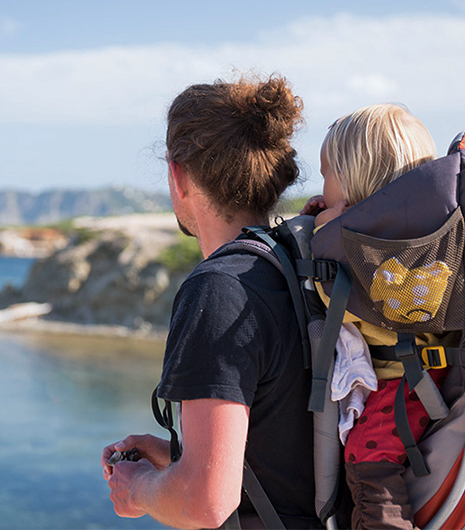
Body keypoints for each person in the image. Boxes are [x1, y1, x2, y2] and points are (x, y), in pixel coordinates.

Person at [101, 75, 320, 529]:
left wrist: (136, 488)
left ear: (177, 177)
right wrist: (179, 458)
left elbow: (205, 501)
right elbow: (286, 444)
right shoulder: (298, 263)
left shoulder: (218, 290)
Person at [301, 103, 452, 530]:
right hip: (430, 374)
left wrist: (324, 230)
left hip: (406, 383)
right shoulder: (422, 238)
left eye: (326, 173)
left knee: (368, 458)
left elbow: (330, 298)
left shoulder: (367, 253)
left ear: (352, 181)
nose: (322, 185)